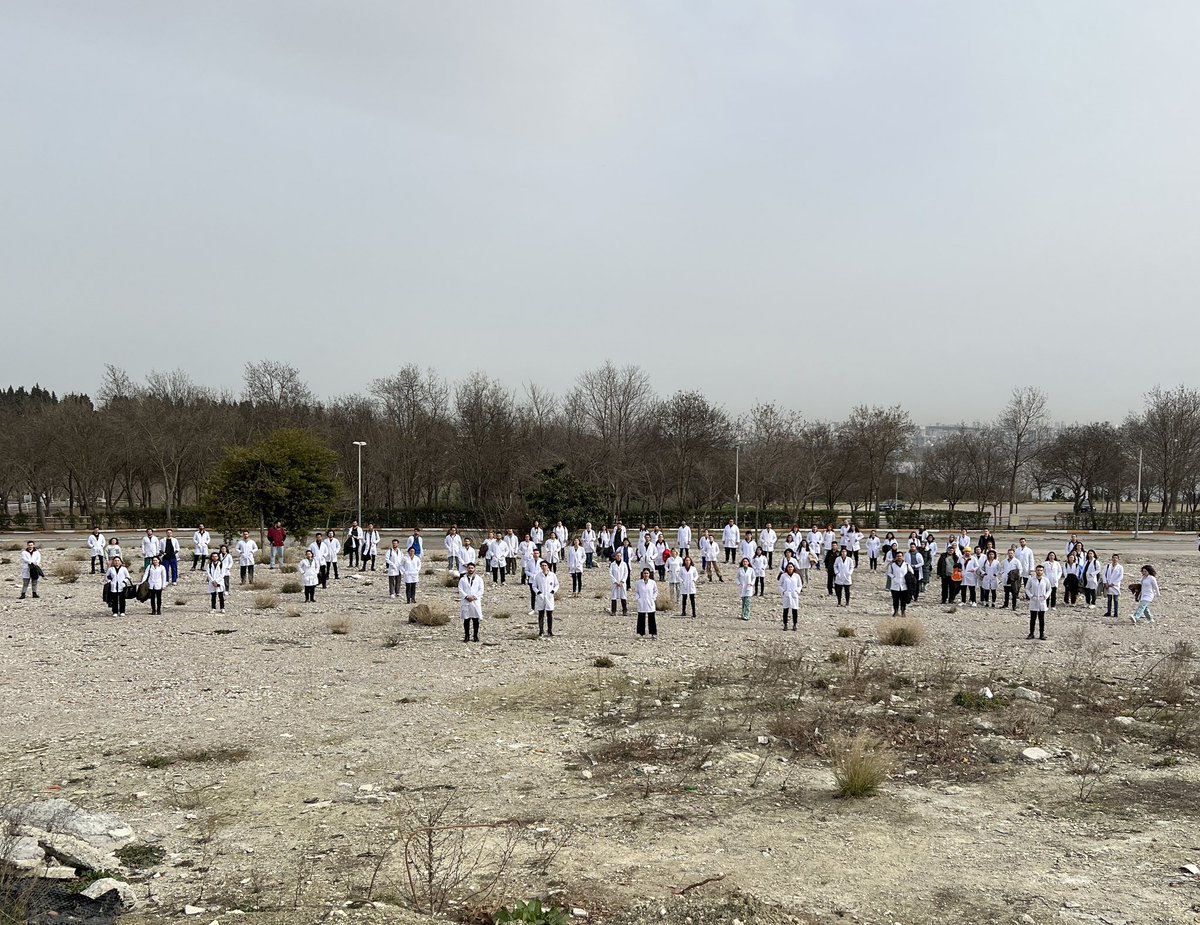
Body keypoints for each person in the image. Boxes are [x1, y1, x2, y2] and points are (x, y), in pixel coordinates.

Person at [459, 562, 484, 643]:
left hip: (475, 601)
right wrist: (466, 596)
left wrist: (474, 597)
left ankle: (475, 636)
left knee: (475, 619)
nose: (470, 569)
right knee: (466, 619)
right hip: (466, 601)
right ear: (467, 569)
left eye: (472, 568)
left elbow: (481, 590)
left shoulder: (479, 579)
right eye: (469, 568)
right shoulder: (462, 579)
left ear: (474, 569)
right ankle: (467, 636)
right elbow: (460, 589)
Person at [1025, 563, 1051, 640]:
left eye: (1041, 570)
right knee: (1033, 618)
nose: (1039, 572)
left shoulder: (1046, 580)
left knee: (1041, 618)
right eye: (1038, 570)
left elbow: (1049, 589)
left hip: (1042, 600)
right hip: (1034, 600)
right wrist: (1031, 596)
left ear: (1043, 571)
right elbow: (1027, 588)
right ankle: (1031, 633)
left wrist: (1046, 596)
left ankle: (1041, 634)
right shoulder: (1031, 579)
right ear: (1036, 571)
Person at [535, 559, 560, 637]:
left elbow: (557, 585)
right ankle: (541, 631)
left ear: (548, 566)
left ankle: (550, 631)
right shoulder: (538, 576)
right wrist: (538, 592)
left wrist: (553, 591)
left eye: (545, 565)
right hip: (541, 597)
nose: (544, 567)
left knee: (549, 614)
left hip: (549, 597)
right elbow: (534, 586)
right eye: (542, 565)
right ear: (540, 567)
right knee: (541, 614)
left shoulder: (552, 575)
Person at [886, 551, 912, 616]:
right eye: (898, 556)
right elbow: (889, 573)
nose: (899, 557)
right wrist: (893, 577)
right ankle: (896, 611)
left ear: (903, 557)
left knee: (903, 600)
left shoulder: (906, 565)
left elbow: (912, 572)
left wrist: (908, 577)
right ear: (896, 557)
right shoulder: (892, 565)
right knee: (895, 600)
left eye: (900, 556)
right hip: (895, 585)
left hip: (904, 585)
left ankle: (903, 611)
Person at [635, 567, 659, 639]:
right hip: (642, 602)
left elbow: (655, 591)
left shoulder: (652, 582)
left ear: (649, 574)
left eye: (647, 573)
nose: (646, 575)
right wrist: (638, 599)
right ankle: (640, 633)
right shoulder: (639, 583)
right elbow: (636, 592)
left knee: (651, 618)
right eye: (645, 573)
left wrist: (653, 598)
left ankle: (653, 633)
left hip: (650, 602)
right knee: (641, 617)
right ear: (642, 574)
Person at [779, 561, 802, 630]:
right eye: (789, 567)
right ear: (787, 568)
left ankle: (795, 624)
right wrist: (783, 591)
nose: (790, 568)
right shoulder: (783, 576)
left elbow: (800, 585)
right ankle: (785, 624)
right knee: (785, 610)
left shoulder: (796, 576)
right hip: (786, 594)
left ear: (793, 568)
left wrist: (797, 591)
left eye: (791, 567)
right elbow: (780, 585)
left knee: (794, 610)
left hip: (794, 594)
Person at [1103, 554, 1124, 619]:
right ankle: (1109, 611)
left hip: (1115, 585)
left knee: (1115, 599)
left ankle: (1115, 612)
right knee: (1109, 599)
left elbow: (1120, 576)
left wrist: (1114, 583)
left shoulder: (1120, 567)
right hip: (1108, 585)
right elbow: (1104, 574)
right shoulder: (1107, 566)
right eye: (1113, 558)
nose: (1114, 559)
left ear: (1118, 559)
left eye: (1116, 558)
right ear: (1111, 559)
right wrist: (1105, 582)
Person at [609, 550, 629, 616]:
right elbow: (610, 573)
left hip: (622, 583)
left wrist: (622, 581)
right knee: (614, 597)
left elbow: (626, 573)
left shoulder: (624, 564)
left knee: (623, 596)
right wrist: (615, 582)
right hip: (615, 583)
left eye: (620, 556)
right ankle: (613, 611)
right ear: (615, 557)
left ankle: (624, 611)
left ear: (621, 557)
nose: (618, 557)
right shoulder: (612, 564)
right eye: (617, 556)